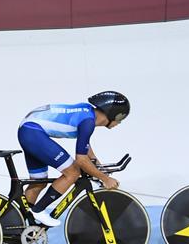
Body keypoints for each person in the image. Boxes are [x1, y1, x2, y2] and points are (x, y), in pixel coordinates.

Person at [18, 91, 130, 227]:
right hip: (33, 132)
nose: (119, 122)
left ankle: (19, 223)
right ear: (113, 114)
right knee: (73, 172)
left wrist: (100, 169)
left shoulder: (88, 114)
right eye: (121, 118)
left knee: (38, 183)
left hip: (29, 131)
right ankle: (39, 210)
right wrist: (105, 179)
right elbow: (81, 160)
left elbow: (86, 148)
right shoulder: (88, 122)